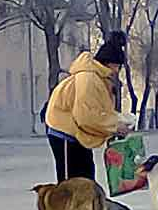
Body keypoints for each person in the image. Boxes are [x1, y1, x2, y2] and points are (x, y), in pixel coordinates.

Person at [45, 31, 132, 182]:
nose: (117, 71)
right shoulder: (89, 79)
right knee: (72, 184)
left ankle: (85, 204)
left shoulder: (99, 78)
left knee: (86, 179)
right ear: (109, 63)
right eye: (117, 66)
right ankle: (70, 206)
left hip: (77, 134)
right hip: (64, 132)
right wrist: (115, 126)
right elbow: (86, 116)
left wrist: (117, 122)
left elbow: (100, 111)